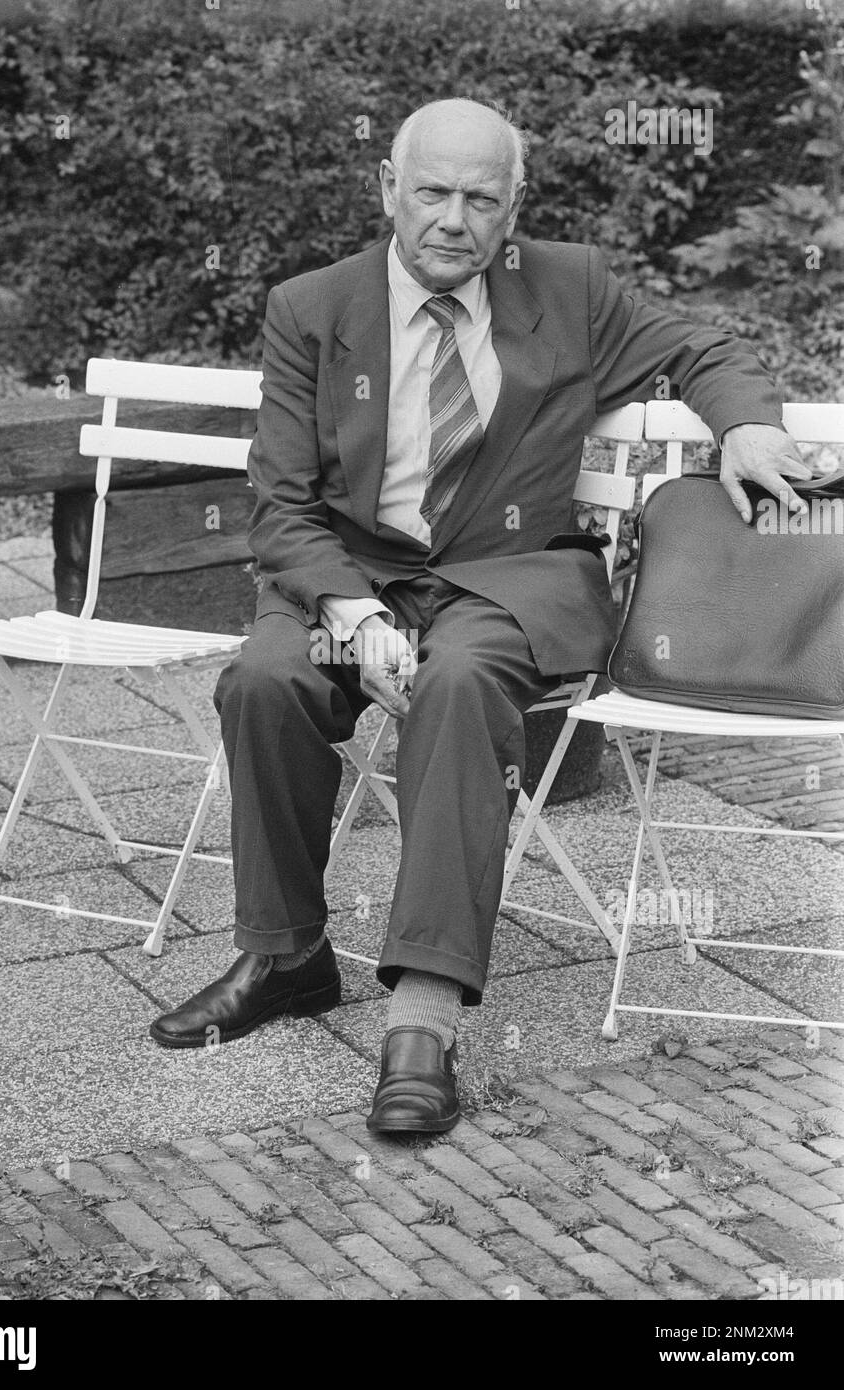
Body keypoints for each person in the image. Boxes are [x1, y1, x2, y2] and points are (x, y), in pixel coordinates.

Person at [150, 98, 815, 1134]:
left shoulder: (570, 287)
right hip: (351, 574)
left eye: (478, 198)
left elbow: (702, 347)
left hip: (506, 581)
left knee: (456, 682)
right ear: (386, 189)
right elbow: (280, 503)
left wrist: (745, 427)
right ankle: (284, 956)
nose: (452, 219)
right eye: (430, 192)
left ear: (512, 208)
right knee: (264, 677)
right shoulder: (310, 309)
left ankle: (422, 1016)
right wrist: (353, 612)